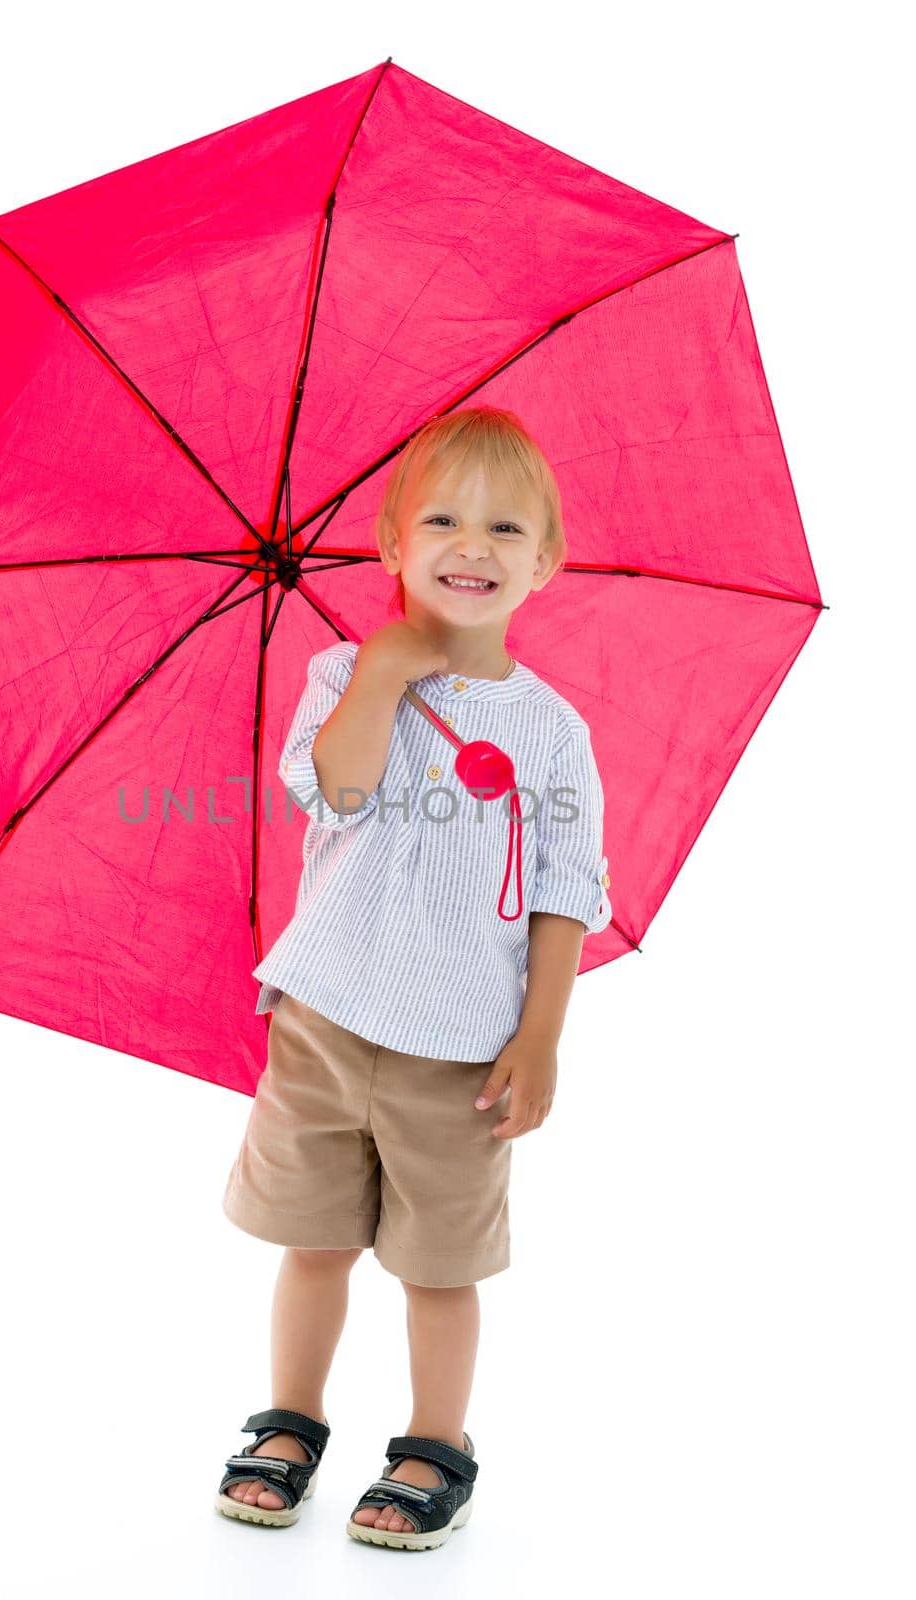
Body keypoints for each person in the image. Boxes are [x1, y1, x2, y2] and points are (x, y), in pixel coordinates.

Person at [216, 406, 612, 1550]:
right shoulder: (342, 671)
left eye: (503, 525)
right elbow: (334, 790)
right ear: (391, 543)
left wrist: (539, 1037)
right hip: (324, 1023)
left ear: (547, 560)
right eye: (440, 517)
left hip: (459, 1051)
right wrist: (386, 672)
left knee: (440, 1266)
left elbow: (565, 891)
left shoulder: (550, 733)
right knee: (315, 1238)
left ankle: (437, 1443)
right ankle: (290, 1420)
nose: (471, 545)